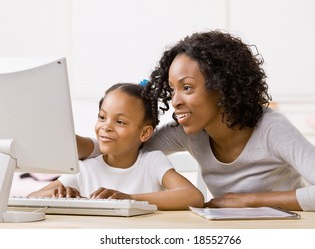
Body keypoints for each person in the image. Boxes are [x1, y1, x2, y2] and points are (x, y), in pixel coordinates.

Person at [78, 31, 315, 211]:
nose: (175, 101)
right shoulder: (190, 132)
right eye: (172, 90)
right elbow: (128, 144)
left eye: (188, 88)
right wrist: (66, 145)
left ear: (222, 87)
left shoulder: (271, 129)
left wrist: (249, 200)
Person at [28, 83, 204, 210]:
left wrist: (130, 199)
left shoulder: (151, 162)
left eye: (119, 121)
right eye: (102, 117)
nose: (106, 126)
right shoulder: (86, 168)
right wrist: (59, 194)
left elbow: (193, 197)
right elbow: (31, 198)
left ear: (144, 133)